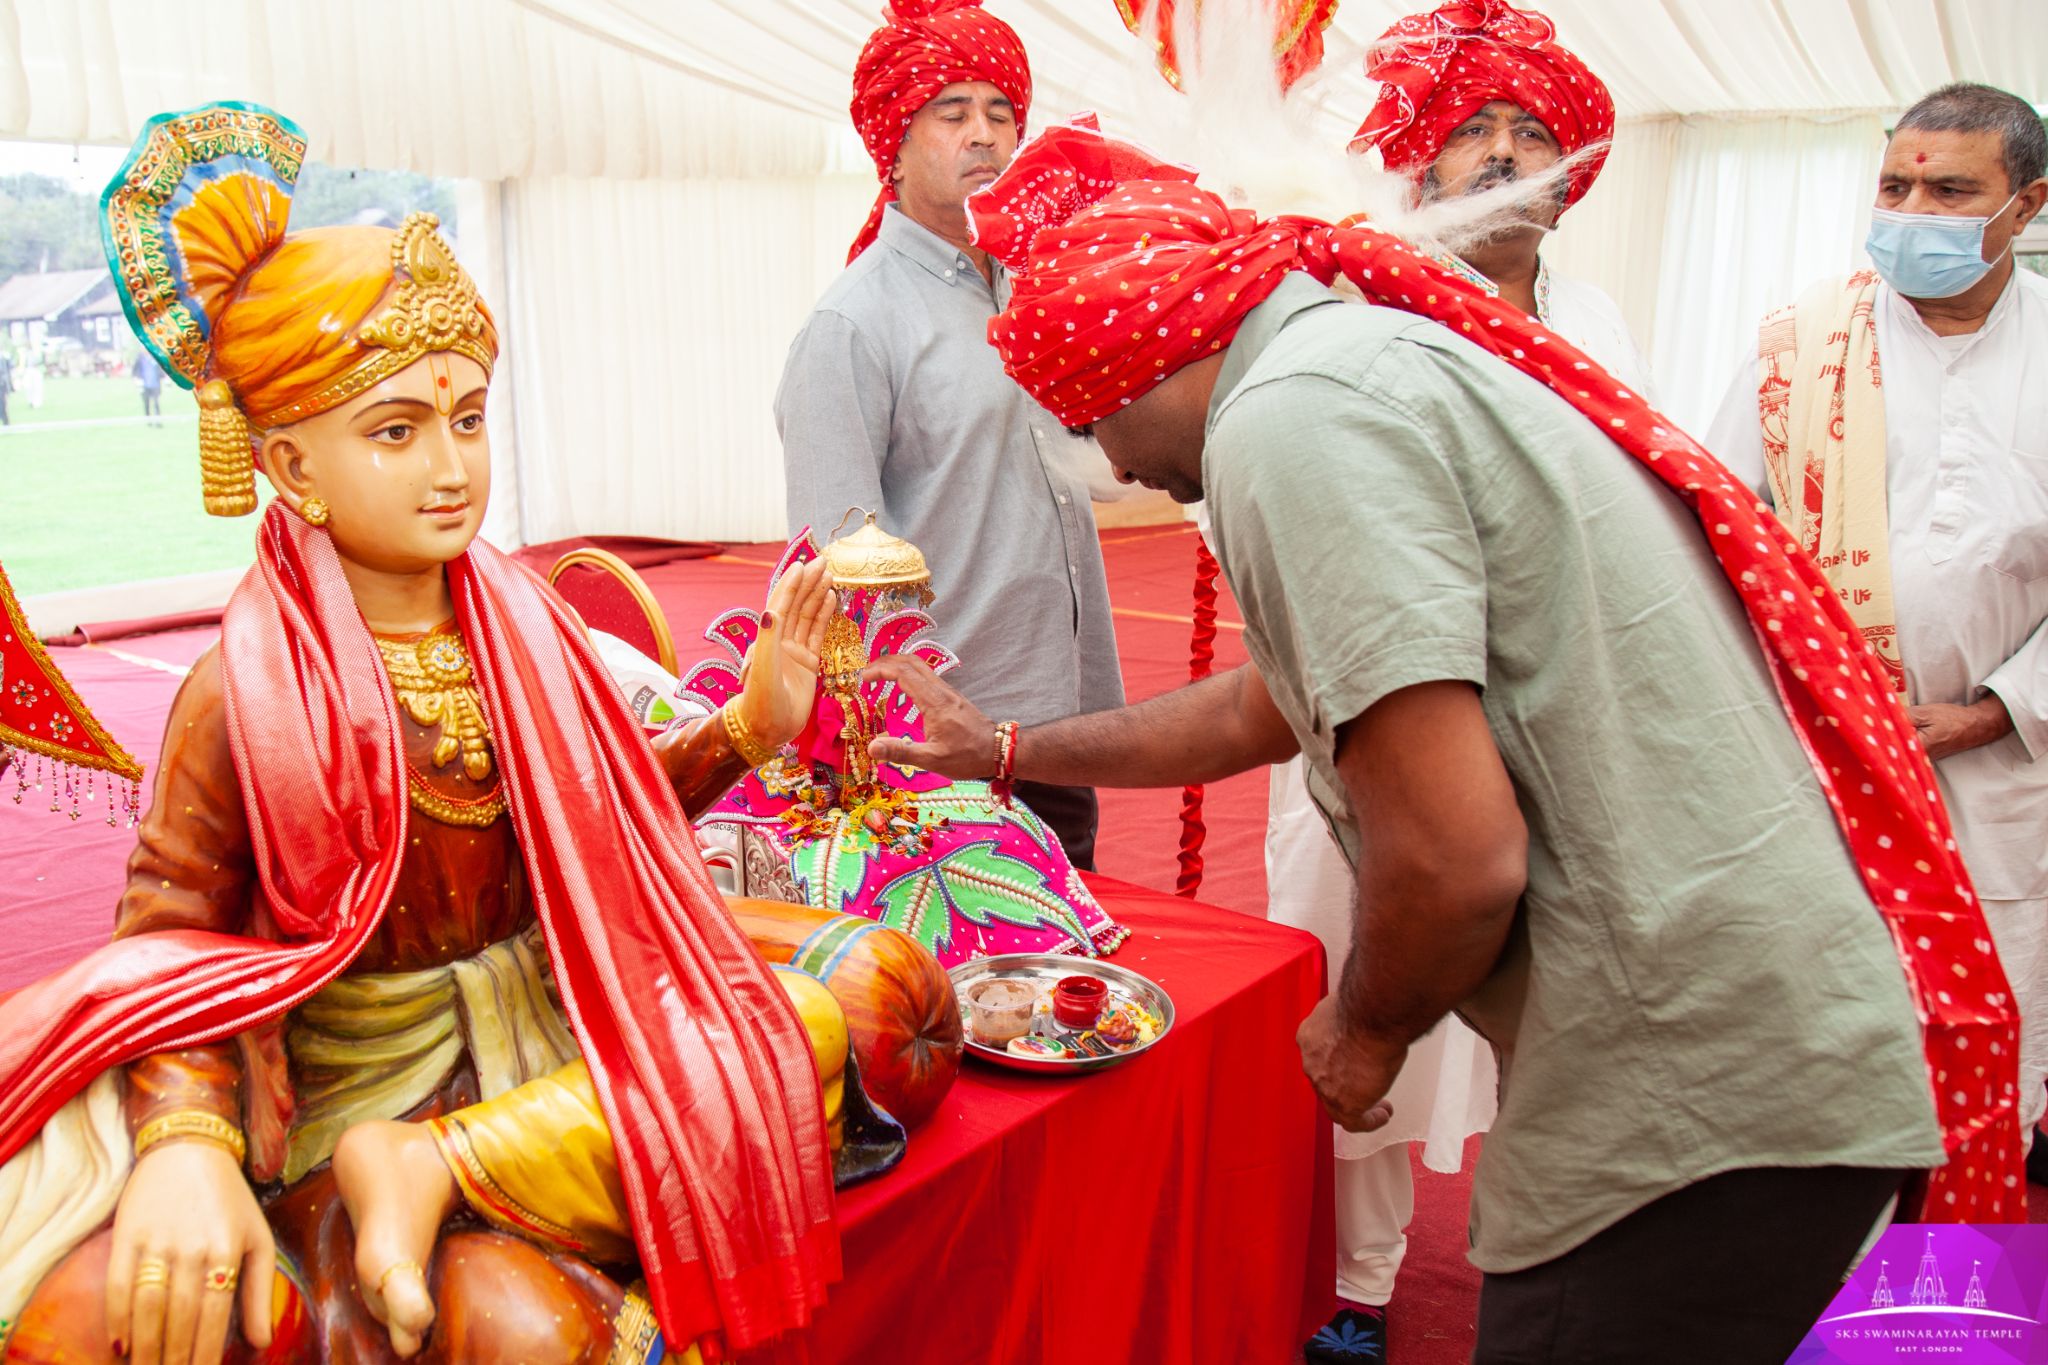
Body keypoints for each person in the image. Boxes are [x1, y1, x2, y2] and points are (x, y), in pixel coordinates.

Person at [872, 118, 2019, 1363]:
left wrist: (1360, 1031)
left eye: (1085, 418)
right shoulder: (1354, 364)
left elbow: (1454, 859)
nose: (1112, 462)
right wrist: (999, 745)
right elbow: (1264, 703)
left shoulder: (1290, 424)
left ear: (1138, 360)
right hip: (1770, 1049)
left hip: (1694, 1089)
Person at [0, 101, 904, 1365]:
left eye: (468, 419)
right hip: (361, 1072)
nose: (449, 468)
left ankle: (437, 1171)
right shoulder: (238, 690)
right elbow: (173, 948)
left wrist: (745, 731)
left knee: (801, 1028)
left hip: (551, 1033)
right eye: (395, 430)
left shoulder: (522, 626)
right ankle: (410, 1166)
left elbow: (598, 823)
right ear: (288, 466)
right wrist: (188, 1144)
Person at [1247, 4, 1657, 1352]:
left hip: (1558, 728)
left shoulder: (1595, 323)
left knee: (1559, 1016)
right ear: (1413, 162)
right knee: (1363, 996)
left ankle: (1528, 1261)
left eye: (1526, 130)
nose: (1498, 153)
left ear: (1569, 169)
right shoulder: (1345, 306)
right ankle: (1357, 1292)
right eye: (1469, 129)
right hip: (1366, 713)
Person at [1705, 81, 2048, 1146]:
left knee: (1982, 1061)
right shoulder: (1798, 346)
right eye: (1893, 184)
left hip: (2003, 772)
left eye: (1949, 192)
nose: (1909, 212)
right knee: (1817, 1060)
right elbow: (1711, 531)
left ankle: (1932, 1320)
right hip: (1812, 765)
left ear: (2025, 206)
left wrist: (1995, 710)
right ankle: (1799, 1307)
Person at [775, 0, 1122, 869]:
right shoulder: (853, 325)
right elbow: (838, 582)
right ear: (893, 142)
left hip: (1060, 728)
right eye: (952, 111)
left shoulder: (1040, 288)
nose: (985, 137)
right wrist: (906, 741)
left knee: (1061, 993)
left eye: (1002, 114)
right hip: (947, 749)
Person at [132, 350, 164, 425]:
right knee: (146, 404)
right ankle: (148, 421)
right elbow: (135, 371)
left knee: (156, 403)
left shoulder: (155, 357)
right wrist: (136, 380)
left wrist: (163, 377)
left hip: (155, 384)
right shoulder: (140, 358)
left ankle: (158, 422)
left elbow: (160, 369)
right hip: (144, 385)